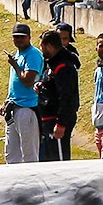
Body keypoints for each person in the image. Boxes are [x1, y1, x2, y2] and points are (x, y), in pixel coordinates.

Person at [2, 22, 43, 164]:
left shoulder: (33, 55)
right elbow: (15, 84)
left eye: (22, 37)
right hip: (13, 107)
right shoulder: (18, 54)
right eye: (16, 37)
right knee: (11, 153)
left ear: (29, 37)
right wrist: (7, 100)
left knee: (29, 152)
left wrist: (15, 65)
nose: (19, 39)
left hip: (27, 109)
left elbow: (27, 81)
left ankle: (32, 183)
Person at [35, 29, 78, 162]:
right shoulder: (51, 65)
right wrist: (42, 87)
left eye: (42, 46)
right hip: (48, 118)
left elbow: (67, 97)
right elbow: (52, 85)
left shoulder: (63, 67)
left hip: (57, 119)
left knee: (58, 160)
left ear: (49, 46)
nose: (41, 50)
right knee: (49, 159)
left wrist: (61, 123)